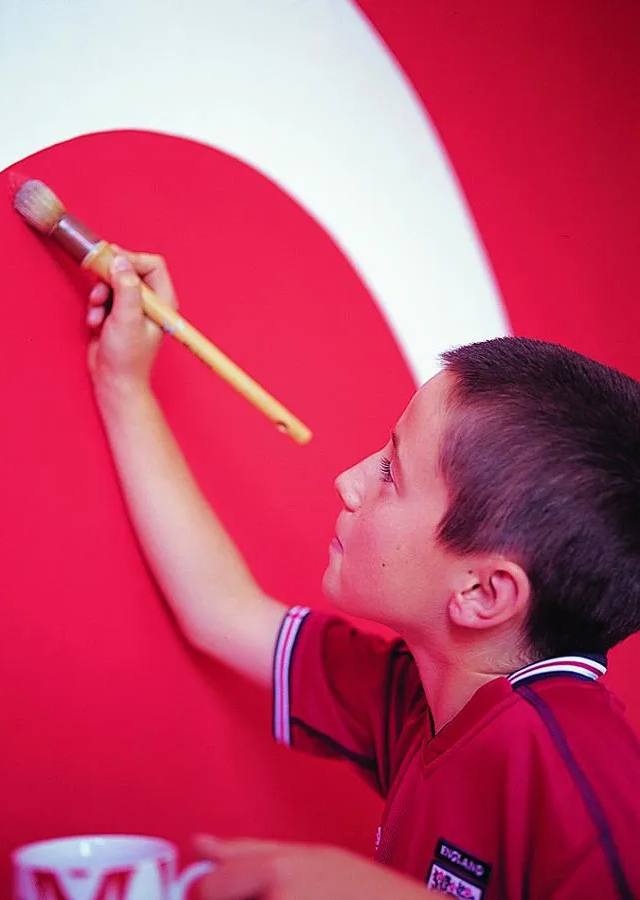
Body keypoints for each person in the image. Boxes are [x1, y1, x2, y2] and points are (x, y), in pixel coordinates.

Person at [85, 251, 640, 900]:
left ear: (482, 592)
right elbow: (221, 611)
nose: (347, 482)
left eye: (390, 473)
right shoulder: (418, 698)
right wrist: (123, 384)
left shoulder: (585, 776)